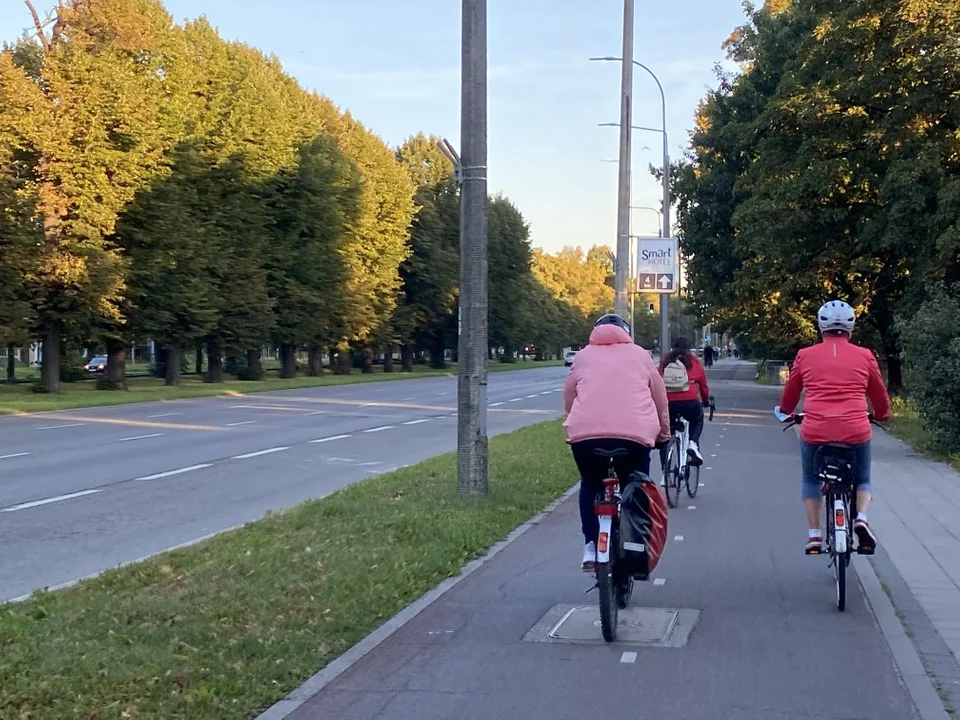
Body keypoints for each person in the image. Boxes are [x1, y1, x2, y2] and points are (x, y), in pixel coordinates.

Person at [779, 300, 891, 555]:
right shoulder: (865, 355)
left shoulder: (805, 355)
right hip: (855, 429)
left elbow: (790, 394)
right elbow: (879, 394)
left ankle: (814, 536)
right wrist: (882, 415)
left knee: (810, 480)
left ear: (821, 327)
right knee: (862, 478)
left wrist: (786, 412)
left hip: (815, 429)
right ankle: (861, 518)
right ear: (850, 327)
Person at [564, 313, 670, 570]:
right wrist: (663, 434)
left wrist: (575, 421)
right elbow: (659, 397)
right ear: (626, 332)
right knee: (636, 487)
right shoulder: (642, 355)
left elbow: (569, 395)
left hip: (585, 437)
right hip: (635, 437)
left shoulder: (582, 355)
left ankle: (590, 546)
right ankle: (635, 545)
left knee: (590, 484)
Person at [658, 336, 710, 466]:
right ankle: (693, 443)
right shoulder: (693, 361)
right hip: (689, 401)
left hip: (668, 402)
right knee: (697, 418)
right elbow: (703, 385)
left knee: (666, 435)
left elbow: (657, 380)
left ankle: (665, 471)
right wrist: (705, 401)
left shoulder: (665, 361)